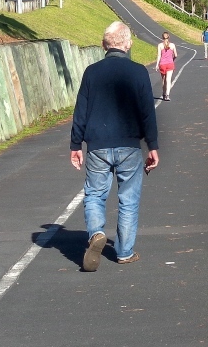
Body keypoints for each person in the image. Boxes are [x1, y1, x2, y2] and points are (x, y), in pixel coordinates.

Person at [70, 21, 159, 271]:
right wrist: (152, 146)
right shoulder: (139, 72)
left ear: (104, 45)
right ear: (128, 44)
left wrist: (76, 143)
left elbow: (81, 111)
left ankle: (96, 232)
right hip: (129, 145)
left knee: (95, 194)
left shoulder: (91, 72)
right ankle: (124, 251)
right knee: (128, 199)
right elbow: (147, 113)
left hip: (97, 145)